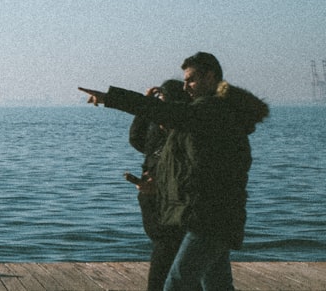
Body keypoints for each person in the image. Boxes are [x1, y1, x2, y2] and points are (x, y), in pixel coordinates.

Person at [80, 52, 269, 291]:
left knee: (177, 285)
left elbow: (169, 113)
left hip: (210, 218)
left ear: (210, 77)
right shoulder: (217, 111)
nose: (185, 86)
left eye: (190, 79)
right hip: (214, 215)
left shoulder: (212, 110)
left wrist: (111, 98)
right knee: (217, 285)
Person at [127, 79, 188, 291]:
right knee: (170, 253)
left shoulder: (185, 133)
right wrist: (144, 108)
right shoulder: (156, 128)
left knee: (167, 250)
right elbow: (136, 139)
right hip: (151, 197)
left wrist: (160, 187)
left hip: (170, 202)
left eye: (163, 104)